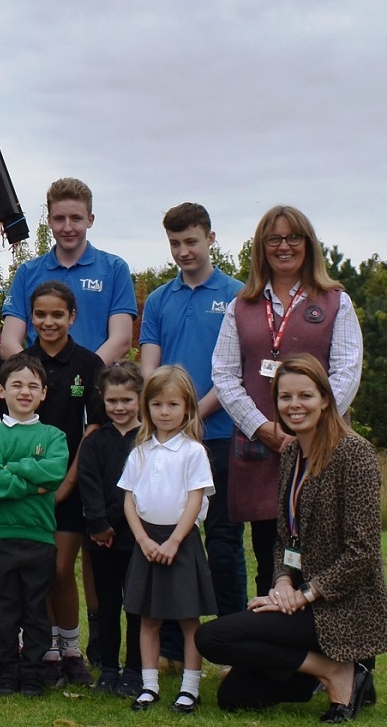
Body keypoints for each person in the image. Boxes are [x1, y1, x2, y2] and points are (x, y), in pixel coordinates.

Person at [196, 356, 387, 721]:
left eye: (305, 395)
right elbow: (283, 538)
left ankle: (339, 671)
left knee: (212, 638)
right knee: (235, 697)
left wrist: (305, 594)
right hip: (299, 596)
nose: (295, 405)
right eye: (285, 397)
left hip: (341, 605)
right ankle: (337, 670)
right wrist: (284, 582)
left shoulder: (354, 453)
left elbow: (363, 551)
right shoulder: (291, 452)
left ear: (325, 398)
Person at [211, 205, 363, 596]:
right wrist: (261, 427)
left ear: (308, 244)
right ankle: (272, 652)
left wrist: (307, 427)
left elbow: (347, 370)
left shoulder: (334, 301)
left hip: (323, 449)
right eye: (274, 239)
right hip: (262, 448)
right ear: (261, 248)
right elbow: (224, 375)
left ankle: (332, 650)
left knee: (326, 550)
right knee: (269, 554)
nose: (284, 246)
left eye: (293, 237)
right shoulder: (240, 306)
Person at [138, 202, 246, 657]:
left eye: (191, 241)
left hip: (219, 437)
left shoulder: (240, 295)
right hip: (166, 442)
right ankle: (168, 650)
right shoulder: (161, 298)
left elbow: (233, 370)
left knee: (222, 541)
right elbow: (150, 363)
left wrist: (194, 417)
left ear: (211, 239)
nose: (183, 251)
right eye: (175, 244)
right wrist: (162, 415)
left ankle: (232, 645)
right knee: (166, 537)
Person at [0, 279, 104, 686]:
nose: (49, 322)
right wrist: (31, 479)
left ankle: (70, 650)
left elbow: (93, 429)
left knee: (58, 570)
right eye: (41, 314)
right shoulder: (20, 364)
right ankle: (45, 653)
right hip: (26, 497)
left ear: (72, 317)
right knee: (34, 574)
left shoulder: (89, 365)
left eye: (58, 314)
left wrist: (67, 482)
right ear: (30, 317)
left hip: (68, 482)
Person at [119, 366, 216, 713]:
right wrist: (143, 540)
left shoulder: (193, 452)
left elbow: (195, 498)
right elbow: (129, 498)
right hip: (147, 542)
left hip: (181, 542)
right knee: (148, 617)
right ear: (147, 408)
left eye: (173, 404)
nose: (164, 412)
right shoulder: (140, 450)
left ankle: (190, 688)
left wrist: (175, 541)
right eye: (157, 404)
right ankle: (149, 686)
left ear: (187, 407)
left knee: (189, 618)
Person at [0, 353, 69, 697]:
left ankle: (32, 672)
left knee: (35, 610)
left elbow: (56, 473)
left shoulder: (55, 436)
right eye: (16, 385)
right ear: (1, 390)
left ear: (44, 393)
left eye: (33, 385)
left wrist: (12, 468)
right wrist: (33, 480)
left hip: (39, 537)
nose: (25, 392)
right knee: (3, 610)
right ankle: (7, 671)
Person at [0, 178, 136, 364]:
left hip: (94, 384)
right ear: (48, 221)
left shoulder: (114, 269)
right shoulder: (27, 272)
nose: (67, 227)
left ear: (90, 220)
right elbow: (8, 343)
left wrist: (83, 375)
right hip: (39, 386)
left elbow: (121, 341)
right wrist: (33, 377)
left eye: (76, 218)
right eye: (59, 219)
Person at [77, 361, 144, 697]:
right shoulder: (93, 442)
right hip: (101, 539)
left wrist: (114, 520)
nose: (119, 408)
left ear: (140, 399)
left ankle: (134, 669)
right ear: (102, 401)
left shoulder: (147, 441)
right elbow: (88, 484)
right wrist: (99, 524)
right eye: (112, 401)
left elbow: (134, 487)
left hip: (136, 537)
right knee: (106, 604)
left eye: (127, 401)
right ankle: (107, 668)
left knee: (134, 605)